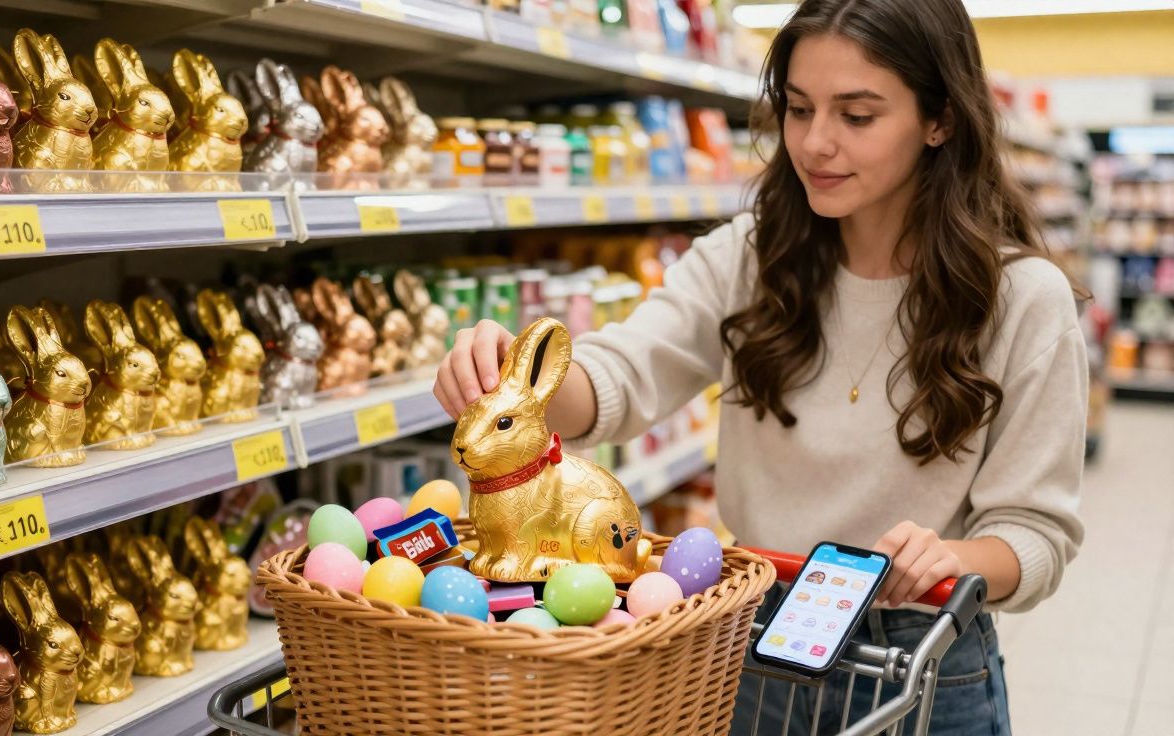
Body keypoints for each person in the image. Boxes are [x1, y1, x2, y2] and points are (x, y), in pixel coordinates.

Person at [434, 0, 1086, 731]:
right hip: (754, 636)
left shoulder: (1023, 299)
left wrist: (951, 556)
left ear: (940, 120)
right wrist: (514, 382)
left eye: (857, 116)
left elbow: (1035, 535)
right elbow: (622, 376)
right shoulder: (749, 256)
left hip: (921, 657)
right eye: (799, 108)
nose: (814, 143)